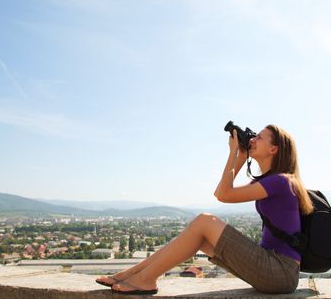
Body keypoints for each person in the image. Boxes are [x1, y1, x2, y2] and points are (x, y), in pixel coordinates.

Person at [95, 124, 313, 295]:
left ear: (274, 149)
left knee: (204, 221)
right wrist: (239, 157)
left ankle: (145, 280)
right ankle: (132, 274)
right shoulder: (272, 180)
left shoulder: (282, 181)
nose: (253, 139)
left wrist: (234, 153)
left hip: (279, 272)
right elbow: (222, 193)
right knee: (200, 238)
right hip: (274, 269)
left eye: (260, 137)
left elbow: (223, 195)